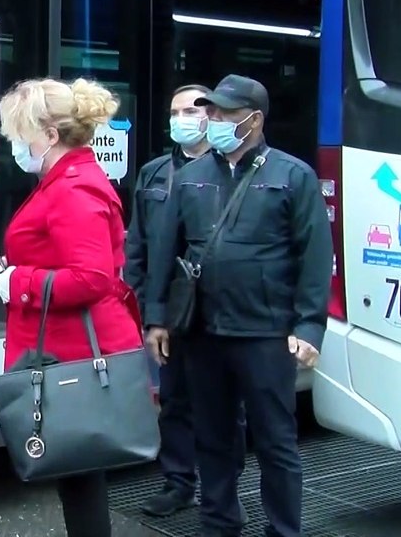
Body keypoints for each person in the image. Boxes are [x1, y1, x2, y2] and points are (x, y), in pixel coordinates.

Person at [144, 74, 332, 537]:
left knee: (276, 440)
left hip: (265, 333)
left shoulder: (292, 176)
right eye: (212, 112)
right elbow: (164, 252)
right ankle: (219, 522)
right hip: (204, 332)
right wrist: (157, 319)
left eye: (225, 114)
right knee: (213, 436)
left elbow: (314, 256)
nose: (214, 121)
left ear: (254, 120)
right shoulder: (191, 178)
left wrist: (309, 327)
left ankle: (284, 529)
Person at [0, 77, 142, 537]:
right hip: (67, 352)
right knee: (77, 478)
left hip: (71, 358)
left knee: (79, 479)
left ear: (50, 135)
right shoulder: (68, 179)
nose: (15, 144)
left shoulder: (72, 188)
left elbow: (91, 277)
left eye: (20, 134)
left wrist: (19, 282)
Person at [126, 83, 246, 518]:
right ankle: (178, 481)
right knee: (173, 395)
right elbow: (139, 242)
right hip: (172, 308)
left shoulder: (235, 173)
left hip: (220, 306)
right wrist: (144, 303)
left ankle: (224, 485)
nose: (183, 118)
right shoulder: (155, 173)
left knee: (225, 403)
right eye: (175, 111)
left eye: (193, 110)